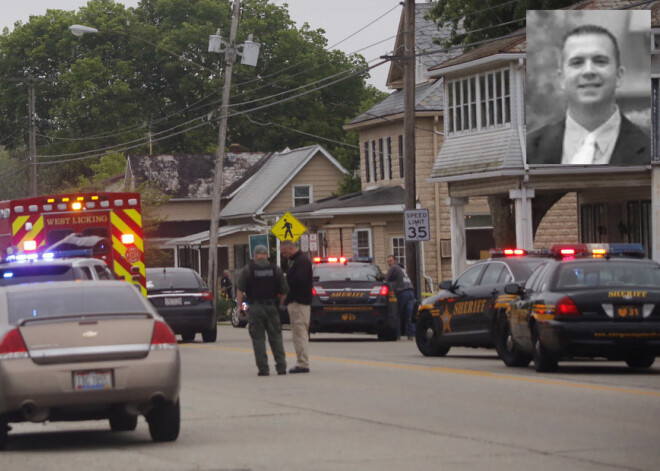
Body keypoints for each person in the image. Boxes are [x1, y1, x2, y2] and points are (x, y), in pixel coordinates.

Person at [527, 24, 650, 165]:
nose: (588, 71)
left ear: (619, 75)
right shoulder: (529, 150)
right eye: (577, 62)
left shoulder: (653, 147)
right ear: (561, 79)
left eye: (600, 61)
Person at [235, 245, 289, 376]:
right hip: (272, 307)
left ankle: (263, 369)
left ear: (255, 256)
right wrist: (280, 305)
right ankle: (281, 367)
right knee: (276, 337)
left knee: (258, 339)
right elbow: (284, 290)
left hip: (254, 308)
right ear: (267, 255)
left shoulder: (249, 269)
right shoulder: (275, 269)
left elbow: (240, 290)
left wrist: (240, 308)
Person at [280, 240, 313, 374]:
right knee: (297, 333)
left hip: (300, 303)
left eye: (284, 251)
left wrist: (286, 287)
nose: (283, 255)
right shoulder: (295, 261)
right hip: (295, 302)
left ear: (289, 248)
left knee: (300, 333)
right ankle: (301, 361)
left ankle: (303, 363)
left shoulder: (302, 262)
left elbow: (300, 280)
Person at [385, 255, 415, 340]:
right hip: (411, 291)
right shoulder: (402, 269)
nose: (389, 263)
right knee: (410, 314)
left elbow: (386, 280)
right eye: (388, 261)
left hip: (402, 292)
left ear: (394, 261)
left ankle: (397, 335)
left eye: (390, 261)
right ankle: (411, 334)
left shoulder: (393, 267)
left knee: (397, 313)